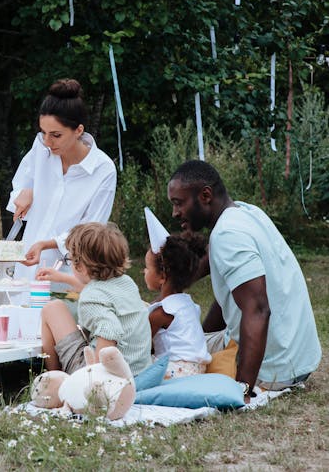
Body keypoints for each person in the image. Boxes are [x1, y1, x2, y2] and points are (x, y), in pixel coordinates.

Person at [167, 160, 321, 397]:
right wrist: (202, 336)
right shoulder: (246, 212)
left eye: (179, 203)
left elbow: (258, 310)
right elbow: (227, 288)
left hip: (273, 371)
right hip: (296, 360)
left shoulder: (228, 234)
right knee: (184, 343)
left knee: (168, 357)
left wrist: (242, 390)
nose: (175, 213)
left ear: (205, 195)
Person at [8, 79, 117, 293]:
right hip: (26, 270)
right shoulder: (41, 148)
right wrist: (26, 192)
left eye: (56, 135)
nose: (48, 141)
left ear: (78, 130)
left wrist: (46, 244)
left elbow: (90, 232)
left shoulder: (103, 170)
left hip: (68, 277)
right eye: (43, 132)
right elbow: (20, 187)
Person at [41, 222, 152, 376]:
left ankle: (54, 376)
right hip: (137, 370)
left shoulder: (91, 297)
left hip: (101, 374)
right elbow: (98, 293)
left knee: (52, 308)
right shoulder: (126, 282)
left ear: (80, 266)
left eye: (70, 260)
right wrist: (63, 278)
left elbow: (110, 331)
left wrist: (97, 381)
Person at [143, 230, 212, 378]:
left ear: (162, 276)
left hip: (177, 370)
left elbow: (142, 345)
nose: (144, 272)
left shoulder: (161, 313)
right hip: (199, 369)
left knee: (137, 365)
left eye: (147, 268)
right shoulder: (188, 304)